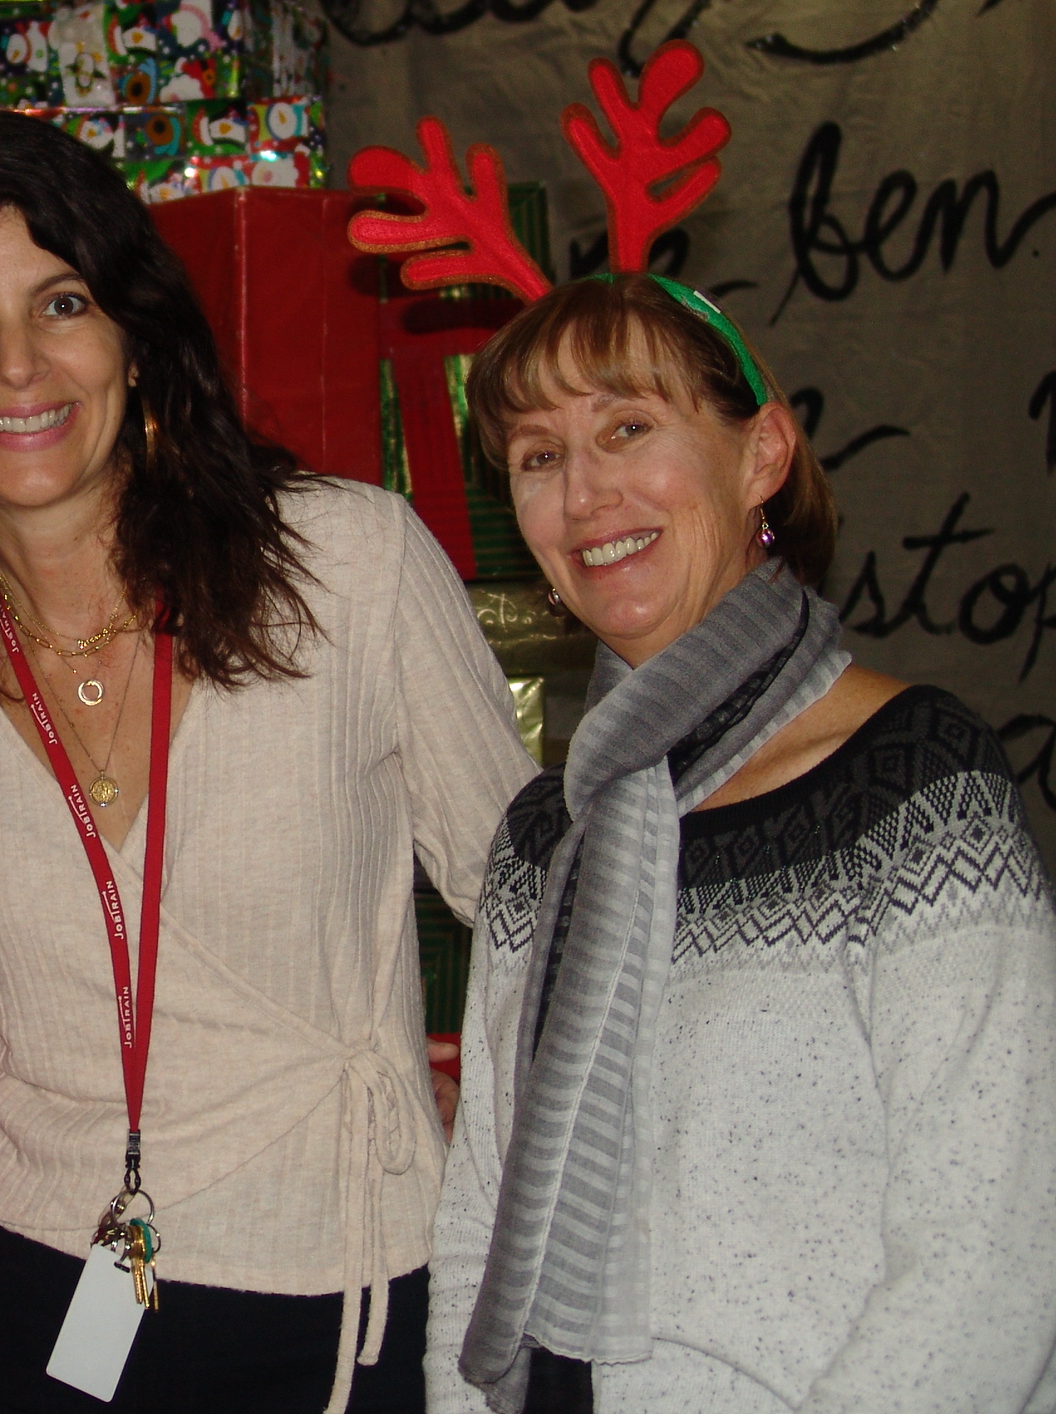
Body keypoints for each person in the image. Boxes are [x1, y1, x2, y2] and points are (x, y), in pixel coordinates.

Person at [0, 111, 537, 1414]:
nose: (17, 364)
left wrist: (494, 1141)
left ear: (134, 339)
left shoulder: (346, 568)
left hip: (324, 1284)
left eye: (62, 303)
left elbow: (538, 905)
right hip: (5, 1276)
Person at [425, 274, 1056, 1413]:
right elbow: (479, 1211)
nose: (584, 494)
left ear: (760, 453)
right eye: (538, 456)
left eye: (628, 428)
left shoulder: (910, 785)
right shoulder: (544, 836)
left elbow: (994, 1261)